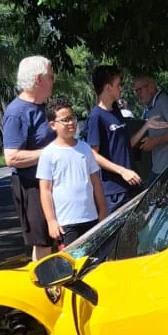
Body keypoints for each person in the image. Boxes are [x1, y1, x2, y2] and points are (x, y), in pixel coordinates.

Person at [2, 55, 56, 261]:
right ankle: (44, 288)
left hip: (50, 183)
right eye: (51, 76)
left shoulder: (43, 107)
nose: (54, 80)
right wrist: (51, 152)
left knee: (55, 237)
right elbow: (12, 157)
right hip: (31, 186)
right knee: (42, 240)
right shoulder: (16, 112)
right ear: (38, 79)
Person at [37, 98, 107, 247]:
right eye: (65, 120)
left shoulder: (85, 148)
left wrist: (102, 211)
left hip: (91, 218)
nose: (71, 123)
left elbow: (95, 181)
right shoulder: (48, 153)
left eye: (72, 118)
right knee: (72, 264)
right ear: (53, 125)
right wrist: (51, 221)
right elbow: (45, 190)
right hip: (66, 223)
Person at [86, 65, 142, 213]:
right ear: (108, 88)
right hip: (114, 191)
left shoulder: (116, 111)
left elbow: (126, 144)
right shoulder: (95, 116)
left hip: (132, 183)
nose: (121, 88)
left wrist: (147, 126)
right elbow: (93, 154)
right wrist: (122, 171)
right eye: (118, 85)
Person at [130, 75, 168, 182]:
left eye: (139, 90)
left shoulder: (163, 102)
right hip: (159, 167)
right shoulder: (151, 106)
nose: (137, 94)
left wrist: (155, 141)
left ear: (151, 87)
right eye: (135, 91)